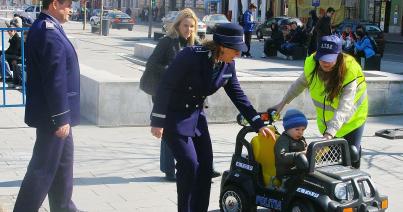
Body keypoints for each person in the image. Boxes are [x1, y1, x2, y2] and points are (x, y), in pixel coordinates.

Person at [150, 23, 276, 211]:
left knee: (205, 168)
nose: (238, 55)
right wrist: (157, 121)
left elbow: (238, 95)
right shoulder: (191, 56)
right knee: (189, 164)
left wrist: (258, 124)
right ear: (222, 46)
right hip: (173, 116)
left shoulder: (228, 64)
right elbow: (165, 85)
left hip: (196, 116)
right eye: (236, 50)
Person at [13, 0, 82, 210]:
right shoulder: (48, 31)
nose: (72, 9)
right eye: (68, 4)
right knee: (41, 171)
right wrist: (61, 117)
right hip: (54, 117)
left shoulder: (49, 27)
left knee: (62, 167)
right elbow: (55, 78)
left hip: (58, 115)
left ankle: (64, 207)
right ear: (54, 4)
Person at [271, 35, 368, 169]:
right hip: (328, 123)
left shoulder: (350, 70)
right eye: (322, 58)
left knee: (351, 155)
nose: (325, 63)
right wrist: (281, 104)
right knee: (329, 163)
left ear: (338, 56)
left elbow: (345, 106)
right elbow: (299, 84)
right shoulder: (312, 63)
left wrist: (329, 135)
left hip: (352, 120)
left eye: (329, 59)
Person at [275, 109, 308, 177]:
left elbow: (306, 150)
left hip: (299, 169)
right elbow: (282, 156)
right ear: (287, 129)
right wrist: (299, 155)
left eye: (303, 129)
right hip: (286, 173)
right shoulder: (283, 140)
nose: (300, 132)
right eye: (297, 129)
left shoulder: (301, 139)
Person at [1, 18, 22, 87]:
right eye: (8, 31)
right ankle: (5, 74)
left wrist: (5, 53)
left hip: (19, 56)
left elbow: (14, 51)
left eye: (11, 31)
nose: (9, 32)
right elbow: (10, 50)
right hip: (14, 55)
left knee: (3, 56)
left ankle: (8, 76)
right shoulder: (13, 38)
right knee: (2, 55)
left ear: (15, 31)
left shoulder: (17, 39)